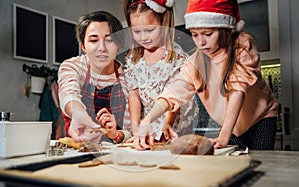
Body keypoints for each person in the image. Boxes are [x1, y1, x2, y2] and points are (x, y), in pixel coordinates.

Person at [137, 0, 278, 150]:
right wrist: (147, 120)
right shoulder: (196, 61)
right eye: (194, 35)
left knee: (259, 161)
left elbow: (237, 91)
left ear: (224, 29)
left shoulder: (242, 46)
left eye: (207, 34)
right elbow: (174, 92)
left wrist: (224, 136)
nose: (200, 42)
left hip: (261, 120)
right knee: (235, 163)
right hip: (229, 124)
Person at [123, 0, 198, 150]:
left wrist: (166, 127)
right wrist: (136, 128)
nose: (143, 37)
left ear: (164, 23)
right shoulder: (133, 58)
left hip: (173, 124)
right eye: (137, 32)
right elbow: (134, 94)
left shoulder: (176, 58)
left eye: (150, 30)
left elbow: (174, 98)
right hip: (147, 124)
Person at [58, 11, 131, 144]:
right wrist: (78, 114)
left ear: (119, 45)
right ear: (83, 46)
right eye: (93, 40)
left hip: (116, 153)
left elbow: (131, 131)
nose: (102, 48)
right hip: (78, 150)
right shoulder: (73, 66)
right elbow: (69, 93)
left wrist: (116, 134)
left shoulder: (129, 78)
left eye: (109, 40)